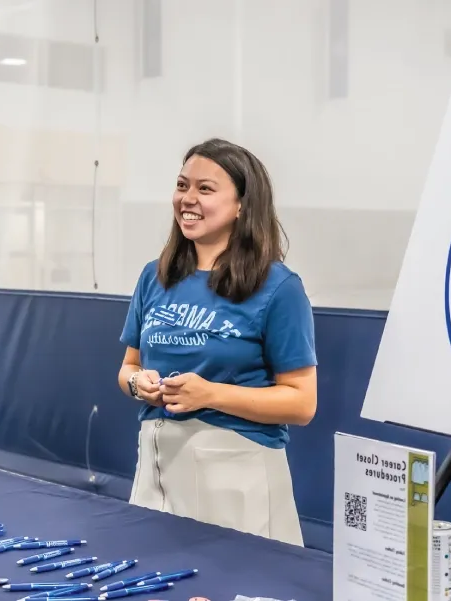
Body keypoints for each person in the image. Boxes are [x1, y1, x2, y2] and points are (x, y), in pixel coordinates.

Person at [117, 138, 317, 547]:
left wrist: (209, 394)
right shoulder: (153, 278)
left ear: (242, 204)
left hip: (236, 479)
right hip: (156, 469)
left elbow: (301, 403)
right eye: (182, 185)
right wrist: (140, 385)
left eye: (205, 189)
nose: (187, 199)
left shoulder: (278, 288)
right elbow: (128, 368)